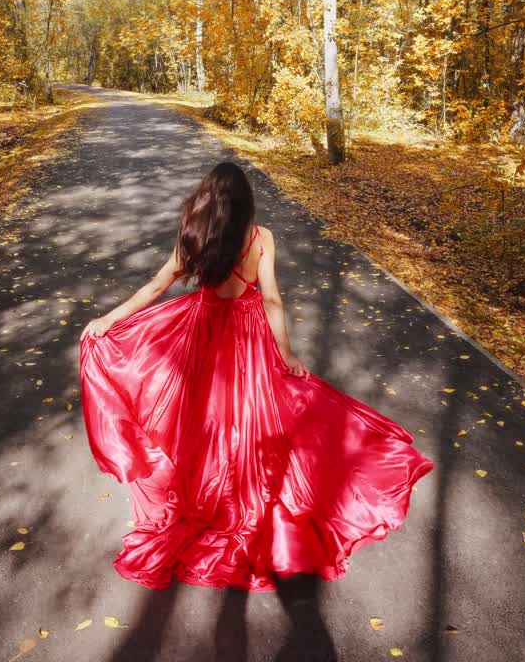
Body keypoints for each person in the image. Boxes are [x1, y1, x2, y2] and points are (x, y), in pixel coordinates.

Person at [79, 161, 433, 592]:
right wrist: (287, 354)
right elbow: (271, 300)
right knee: (249, 416)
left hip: (206, 332)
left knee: (203, 418)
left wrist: (108, 319)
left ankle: (207, 493)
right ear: (246, 200)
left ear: (207, 197)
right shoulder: (261, 238)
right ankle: (240, 491)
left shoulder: (194, 235)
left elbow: (155, 287)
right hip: (247, 338)